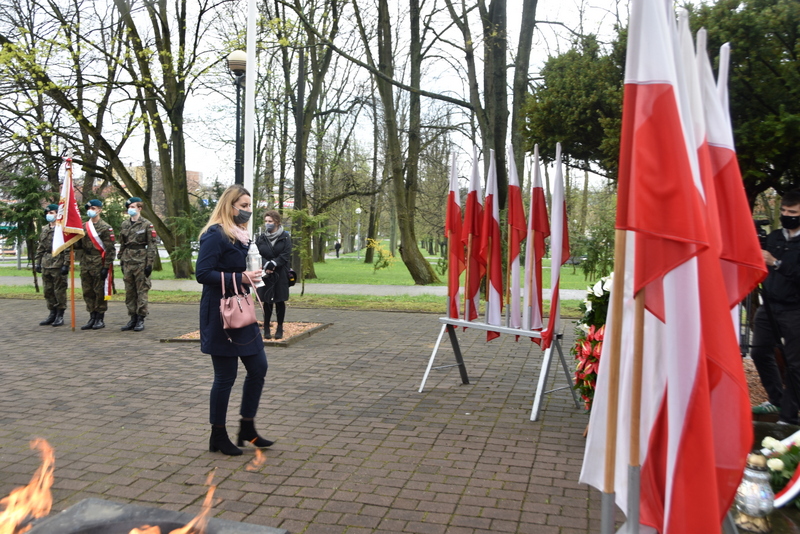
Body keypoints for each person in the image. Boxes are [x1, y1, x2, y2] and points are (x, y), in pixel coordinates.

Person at [196, 184, 273, 456]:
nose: (248, 211)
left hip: (242, 309)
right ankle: (218, 435)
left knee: (258, 367)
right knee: (225, 376)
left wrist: (256, 273)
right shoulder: (215, 235)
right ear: (229, 206)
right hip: (220, 313)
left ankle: (247, 428)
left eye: (250, 206)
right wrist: (238, 277)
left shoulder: (242, 236)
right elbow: (202, 274)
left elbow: (242, 268)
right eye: (243, 206)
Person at [751, 189, 800, 425]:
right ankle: (776, 398)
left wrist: (777, 263)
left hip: (795, 310)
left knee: (794, 364)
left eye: (792, 212)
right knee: (759, 351)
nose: (786, 215)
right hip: (769, 305)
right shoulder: (775, 237)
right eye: (783, 211)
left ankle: (788, 417)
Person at [118, 197, 158, 332]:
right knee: (130, 291)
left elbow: (152, 245)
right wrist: (121, 260)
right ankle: (132, 318)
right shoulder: (124, 224)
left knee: (141, 291)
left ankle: (141, 318)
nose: (130, 209)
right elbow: (122, 243)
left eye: (133, 207)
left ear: (140, 208)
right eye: (129, 207)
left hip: (141, 260)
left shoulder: (147, 224)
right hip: (128, 260)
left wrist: (149, 263)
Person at [75, 199, 116, 330]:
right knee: (87, 291)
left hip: (99, 261)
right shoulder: (83, 227)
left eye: (93, 208)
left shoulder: (105, 227)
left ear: (99, 210)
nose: (90, 211)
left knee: (99, 291)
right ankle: (92, 316)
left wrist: (106, 267)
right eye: (89, 208)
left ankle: (99, 318)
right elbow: (78, 245)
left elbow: (110, 249)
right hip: (86, 261)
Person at [255, 210, 293, 340]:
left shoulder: (285, 237)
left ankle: (280, 327)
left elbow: (286, 255)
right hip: (265, 274)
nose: (267, 224)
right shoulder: (261, 238)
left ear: (276, 222)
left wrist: (274, 264)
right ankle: (266, 327)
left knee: (280, 300)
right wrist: (266, 266)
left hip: (280, 273)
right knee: (267, 301)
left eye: (270, 221)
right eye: (266, 221)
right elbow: (257, 254)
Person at [34, 204, 69, 327]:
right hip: (46, 262)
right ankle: (52, 313)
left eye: (52, 213)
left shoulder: (62, 229)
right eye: (48, 213)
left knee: (59, 290)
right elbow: (41, 247)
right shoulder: (44, 229)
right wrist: (37, 262)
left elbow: (67, 248)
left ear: (58, 214)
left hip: (58, 262)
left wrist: (66, 264)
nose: (49, 215)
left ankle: (60, 314)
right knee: (48, 290)